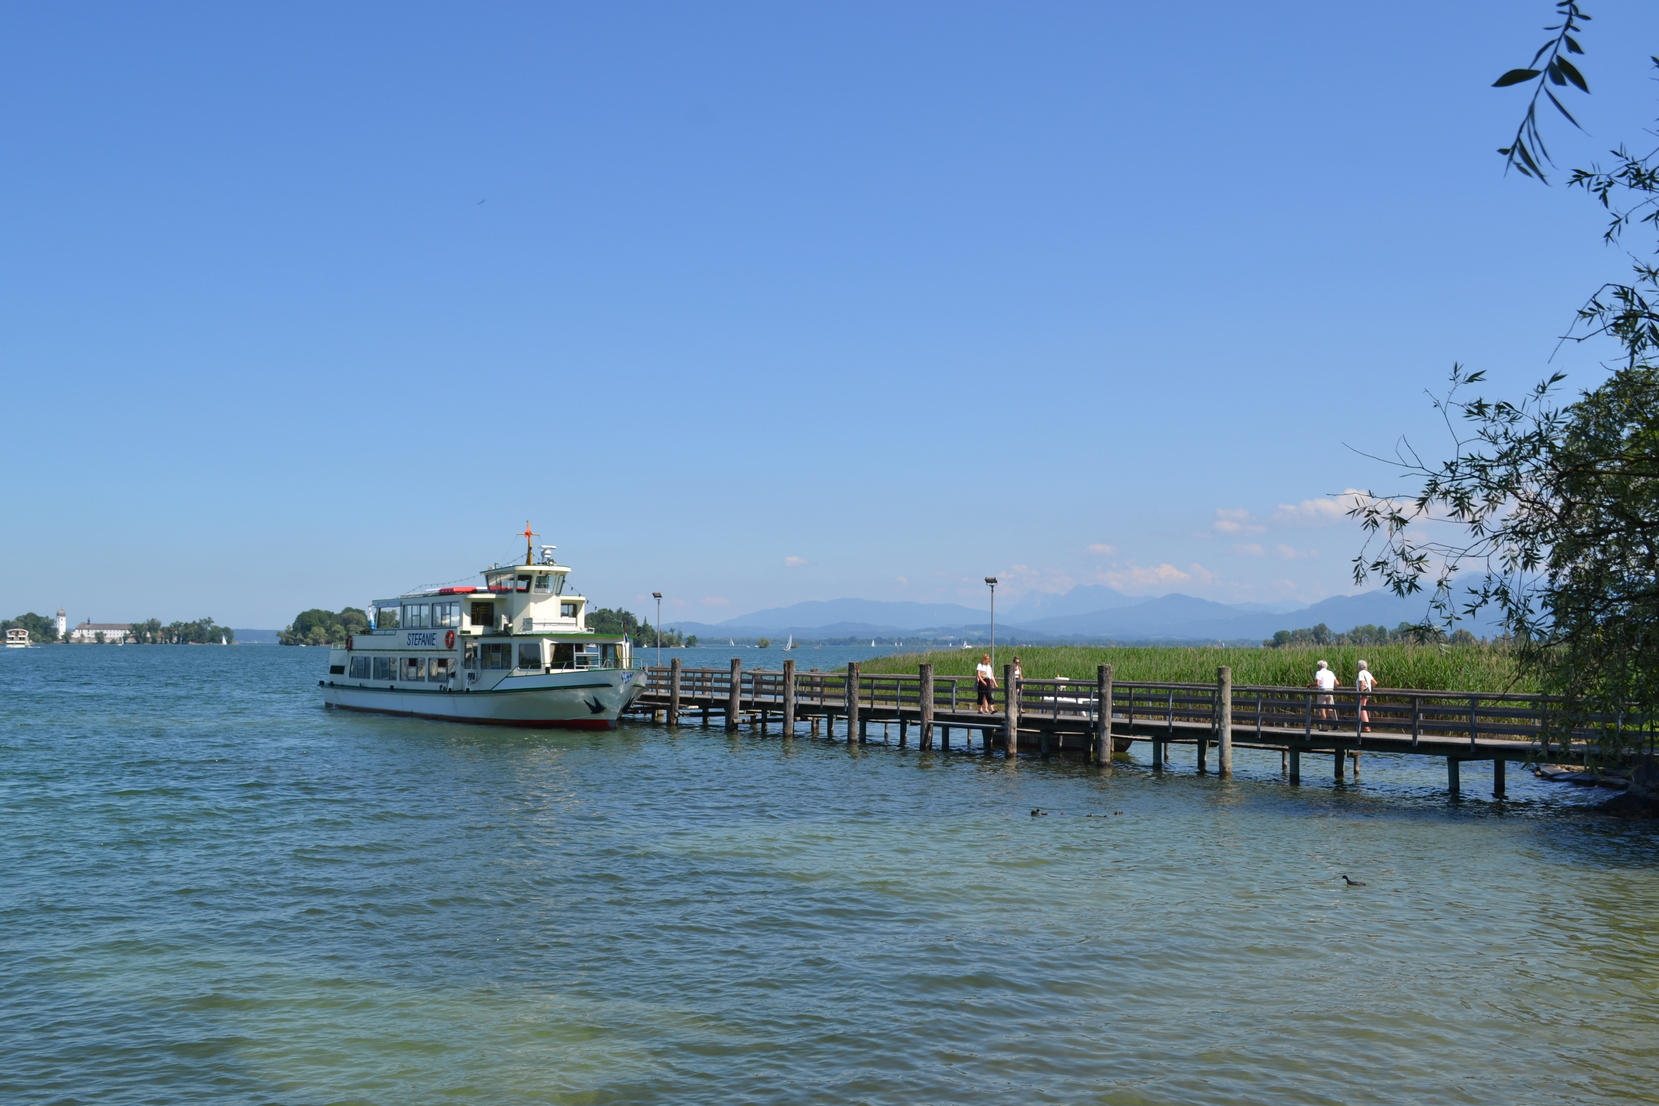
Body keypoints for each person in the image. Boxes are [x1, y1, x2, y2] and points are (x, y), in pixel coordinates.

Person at [1312, 659, 1337, 728]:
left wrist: (1310, 685)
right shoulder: (1331, 673)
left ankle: (1325, 726)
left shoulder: (1319, 672)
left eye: (1318, 666)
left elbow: (1317, 684)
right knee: (1330, 708)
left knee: (1322, 709)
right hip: (1330, 691)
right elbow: (1337, 683)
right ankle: (1335, 722)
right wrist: (1333, 688)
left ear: (1320, 666)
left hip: (1322, 692)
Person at [1356, 660, 1377, 732]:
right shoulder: (1368, 673)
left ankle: (1367, 727)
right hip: (1369, 692)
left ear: (1359, 667)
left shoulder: (1361, 673)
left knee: (1362, 709)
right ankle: (1366, 726)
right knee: (1363, 707)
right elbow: (1374, 683)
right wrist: (1370, 687)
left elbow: (1362, 683)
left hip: (1364, 692)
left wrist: (1360, 693)